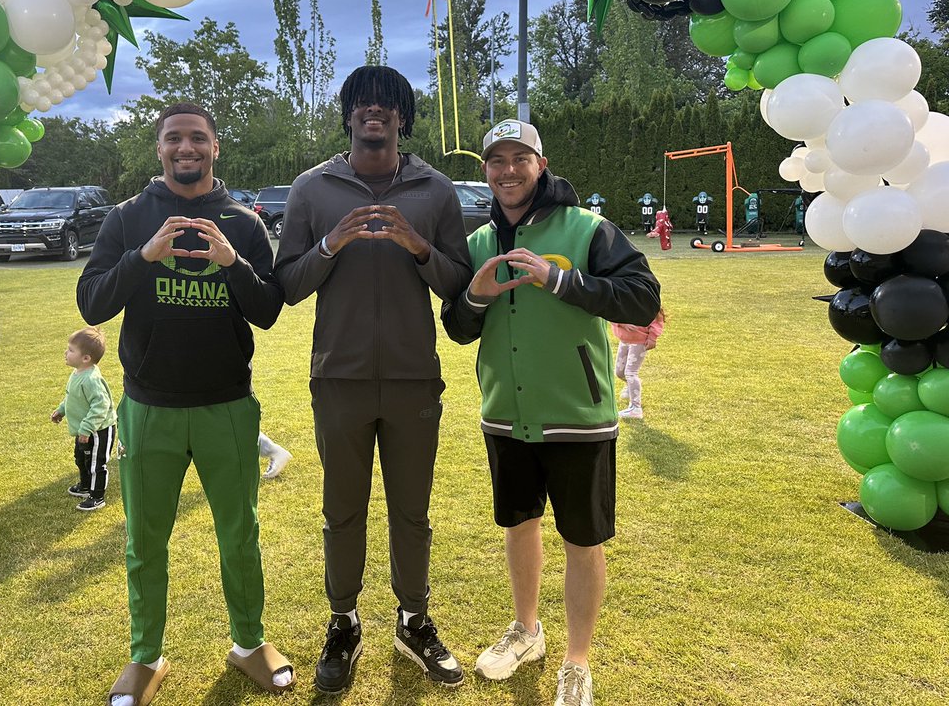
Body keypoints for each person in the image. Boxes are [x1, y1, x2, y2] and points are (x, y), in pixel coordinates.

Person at [78, 103, 294, 706]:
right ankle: (145, 657)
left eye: (198, 137)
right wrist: (143, 256)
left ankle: (249, 643)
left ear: (215, 147)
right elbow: (92, 303)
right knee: (145, 540)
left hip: (227, 405)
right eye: (174, 138)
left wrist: (231, 263)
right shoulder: (128, 217)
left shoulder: (244, 222)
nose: (186, 147)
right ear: (160, 148)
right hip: (150, 407)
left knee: (240, 533)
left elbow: (269, 310)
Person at [442, 119, 660, 706]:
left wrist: (559, 279)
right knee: (518, 524)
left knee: (583, 539)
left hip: (579, 414)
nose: (507, 170)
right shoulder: (479, 242)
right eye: (496, 161)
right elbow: (459, 328)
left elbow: (643, 296)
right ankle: (527, 631)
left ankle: (577, 660)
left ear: (541, 164)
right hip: (505, 414)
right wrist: (475, 297)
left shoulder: (587, 228)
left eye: (520, 158)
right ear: (485, 170)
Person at [275, 65, 473, 694]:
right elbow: (287, 285)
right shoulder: (313, 190)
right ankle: (344, 620)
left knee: (411, 512)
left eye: (387, 104)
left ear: (402, 118)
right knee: (342, 512)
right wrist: (330, 244)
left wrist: (419, 246)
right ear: (349, 115)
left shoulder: (435, 191)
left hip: (415, 379)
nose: (373, 112)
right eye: (362, 103)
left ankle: (413, 619)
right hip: (339, 379)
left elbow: (461, 287)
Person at [50, 326, 117, 512]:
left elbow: (100, 406)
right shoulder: (77, 373)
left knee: (96, 463)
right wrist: (61, 410)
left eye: (71, 350)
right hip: (84, 431)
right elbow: (72, 397)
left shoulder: (91, 379)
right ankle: (85, 485)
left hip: (99, 430)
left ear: (85, 358)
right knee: (81, 458)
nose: (66, 352)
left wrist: (87, 428)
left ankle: (97, 497)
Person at [613, 309, 666, 420]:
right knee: (619, 372)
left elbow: (657, 318)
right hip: (624, 340)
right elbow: (609, 313)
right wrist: (622, 324)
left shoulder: (646, 300)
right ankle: (631, 386)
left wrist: (652, 337)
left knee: (631, 373)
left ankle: (635, 408)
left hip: (639, 341)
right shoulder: (623, 298)